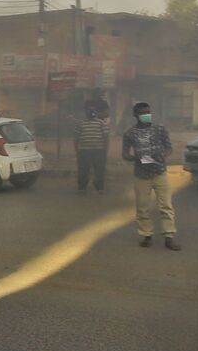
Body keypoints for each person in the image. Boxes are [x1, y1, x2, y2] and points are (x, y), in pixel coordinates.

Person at [122, 102, 179, 250]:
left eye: (148, 112)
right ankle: (147, 235)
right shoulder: (130, 133)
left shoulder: (160, 129)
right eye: (143, 113)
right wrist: (137, 158)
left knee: (166, 205)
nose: (147, 115)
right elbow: (125, 154)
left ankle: (169, 236)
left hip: (160, 172)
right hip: (141, 175)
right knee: (142, 207)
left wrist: (161, 156)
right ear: (136, 115)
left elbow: (169, 148)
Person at [74, 105, 110, 195]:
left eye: (93, 111)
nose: (91, 113)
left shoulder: (101, 123)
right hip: (84, 151)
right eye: (89, 111)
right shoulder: (80, 123)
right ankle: (82, 188)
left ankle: (100, 188)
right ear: (86, 113)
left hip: (98, 151)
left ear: (95, 113)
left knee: (99, 170)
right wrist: (77, 151)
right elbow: (76, 138)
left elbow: (106, 137)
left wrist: (105, 150)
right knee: (83, 170)